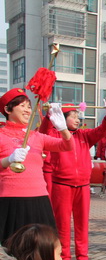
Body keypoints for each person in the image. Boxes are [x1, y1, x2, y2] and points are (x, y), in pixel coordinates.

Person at [38, 100, 106, 260]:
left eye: (78, 116)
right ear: (63, 118)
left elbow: (101, 131)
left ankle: (82, 255)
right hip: (62, 184)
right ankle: (64, 256)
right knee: (62, 223)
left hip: (83, 185)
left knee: (82, 222)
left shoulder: (84, 135)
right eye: (73, 116)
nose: (77, 119)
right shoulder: (55, 135)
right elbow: (43, 132)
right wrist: (50, 116)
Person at [0, 88, 73, 244]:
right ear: (7, 109)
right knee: (15, 248)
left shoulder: (37, 136)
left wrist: (63, 129)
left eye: (29, 106)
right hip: (11, 200)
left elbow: (67, 146)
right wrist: (8, 160)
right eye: (22, 106)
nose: (27, 110)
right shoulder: (1, 135)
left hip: (39, 198)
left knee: (42, 248)